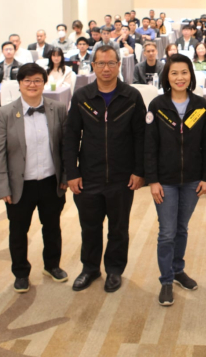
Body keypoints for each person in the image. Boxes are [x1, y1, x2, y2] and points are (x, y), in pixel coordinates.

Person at [63, 45, 146, 293]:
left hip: (122, 177)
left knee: (118, 228)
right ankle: (90, 268)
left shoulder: (131, 96)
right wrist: (72, 172)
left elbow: (141, 137)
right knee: (89, 227)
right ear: (93, 66)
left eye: (111, 63)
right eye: (101, 63)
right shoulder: (82, 97)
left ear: (119, 65)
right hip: (89, 175)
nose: (106, 68)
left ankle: (114, 270)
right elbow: (71, 136)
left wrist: (139, 170)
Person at [0, 64, 69, 293]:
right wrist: (2, 186)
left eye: (37, 80)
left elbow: (66, 146)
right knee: (18, 231)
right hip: (19, 184)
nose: (32, 85)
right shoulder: (5, 113)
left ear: (44, 83)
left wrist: (66, 175)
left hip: (50, 181)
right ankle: (21, 273)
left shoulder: (58, 109)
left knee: (52, 227)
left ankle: (52, 265)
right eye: (27, 80)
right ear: (19, 84)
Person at [145, 54, 206, 306]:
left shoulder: (200, 105)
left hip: (192, 179)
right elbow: (149, 146)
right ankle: (165, 281)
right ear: (167, 77)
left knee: (182, 228)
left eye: (184, 72)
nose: (179, 78)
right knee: (167, 232)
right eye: (174, 73)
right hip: (165, 180)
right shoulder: (157, 105)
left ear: (191, 76)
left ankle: (177, 270)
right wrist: (152, 180)